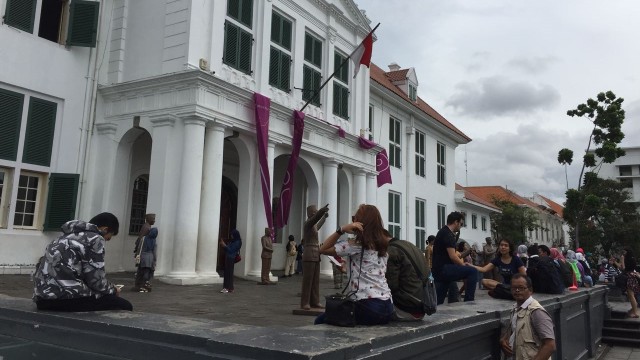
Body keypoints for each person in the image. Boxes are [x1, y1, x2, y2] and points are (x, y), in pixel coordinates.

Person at [33, 213, 132, 312]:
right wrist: (114, 290)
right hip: (66, 299)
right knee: (124, 306)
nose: (106, 241)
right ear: (105, 229)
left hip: (42, 299)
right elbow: (95, 280)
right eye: (108, 238)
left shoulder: (62, 237)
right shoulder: (95, 238)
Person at [316, 204, 393, 325]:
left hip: (368, 307)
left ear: (361, 223)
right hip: (387, 306)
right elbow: (371, 271)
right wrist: (346, 269)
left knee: (320, 320)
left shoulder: (355, 245)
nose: (353, 222)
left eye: (354, 219)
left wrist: (341, 230)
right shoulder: (382, 245)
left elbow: (323, 248)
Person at [500, 274, 556, 360]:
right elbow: (515, 332)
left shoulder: (537, 312)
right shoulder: (515, 309)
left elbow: (550, 345)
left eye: (521, 288)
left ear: (530, 290)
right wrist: (503, 340)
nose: (517, 290)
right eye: (514, 288)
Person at [432, 211, 478, 304]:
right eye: (461, 223)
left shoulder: (442, 232)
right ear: (456, 222)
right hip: (444, 269)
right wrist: (462, 265)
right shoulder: (448, 235)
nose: (461, 226)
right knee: (472, 271)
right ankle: (469, 302)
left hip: (438, 270)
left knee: (438, 301)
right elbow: (453, 256)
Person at [387, 236, 430, 321]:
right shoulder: (412, 246)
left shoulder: (392, 250)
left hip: (405, 310)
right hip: (422, 308)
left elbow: (391, 286)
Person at [300, 204, 329, 310]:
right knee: (308, 281)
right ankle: (305, 302)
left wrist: (324, 218)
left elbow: (318, 224)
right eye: (314, 212)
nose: (315, 213)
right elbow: (315, 219)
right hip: (309, 253)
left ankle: (315, 301)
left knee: (315, 281)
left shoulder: (313, 226)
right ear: (310, 214)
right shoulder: (307, 223)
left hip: (316, 253)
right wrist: (321, 212)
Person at [613, 247, 640, 318]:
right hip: (632, 277)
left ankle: (635, 312)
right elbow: (622, 267)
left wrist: (621, 260)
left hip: (628, 277)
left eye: (624, 252)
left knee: (631, 295)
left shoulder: (626, 258)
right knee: (632, 296)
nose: (623, 253)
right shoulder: (632, 259)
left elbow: (623, 268)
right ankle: (634, 311)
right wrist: (615, 262)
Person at [135, 227, 158, 292]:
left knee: (141, 271)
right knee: (147, 272)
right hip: (150, 258)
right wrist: (155, 260)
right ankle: (144, 285)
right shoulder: (154, 241)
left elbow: (139, 247)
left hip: (142, 256)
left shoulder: (144, 238)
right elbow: (154, 252)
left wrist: (137, 255)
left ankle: (139, 285)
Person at [220, 229, 242, 293]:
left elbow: (231, 250)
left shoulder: (238, 242)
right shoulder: (233, 241)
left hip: (231, 258)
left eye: (232, 235)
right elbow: (228, 249)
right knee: (228, 273)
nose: (231, 236)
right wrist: (223, 245)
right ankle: (230, 288)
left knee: (228, 273)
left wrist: (225, 245)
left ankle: (226, 288)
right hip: (228, 257)